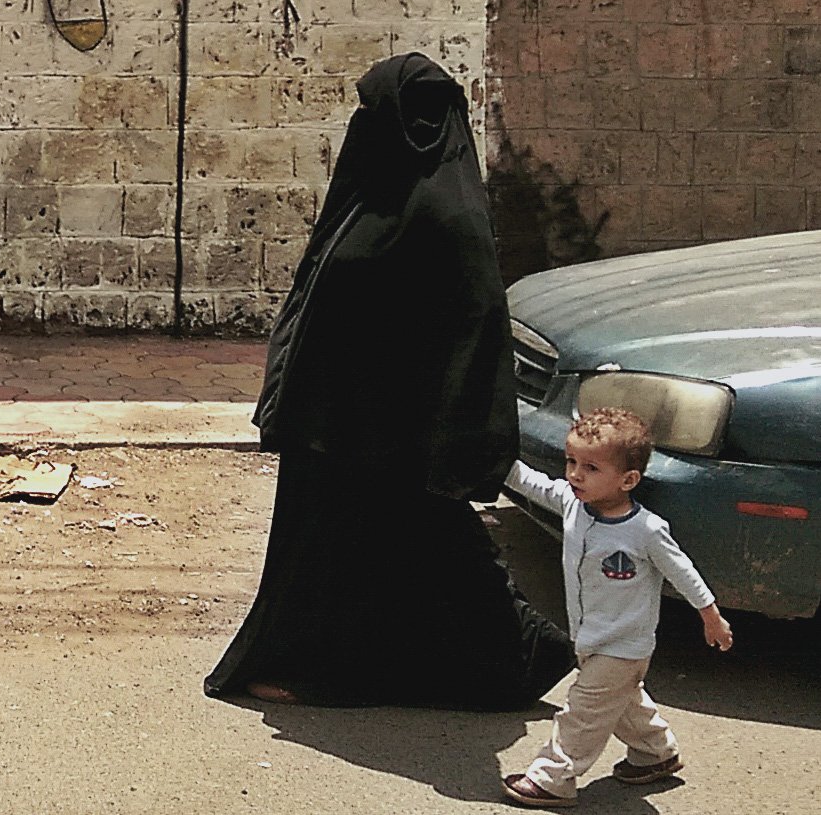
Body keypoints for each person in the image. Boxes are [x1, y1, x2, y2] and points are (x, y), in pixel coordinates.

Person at [204, 52, 575, 710]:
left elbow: (473, 326)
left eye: (373, 112)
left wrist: (456, 437)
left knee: (417, 547)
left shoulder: (447, 216)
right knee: (352, 551)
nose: (361, 123)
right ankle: (498, 653)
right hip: (335, 419)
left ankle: (516, 654)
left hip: (395, 429)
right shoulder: (370, 194)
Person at [501, 408, 734, 808]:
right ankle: (655, 753)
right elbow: (531, 483)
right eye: (571, 461)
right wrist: (493, 460)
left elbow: (683, 571)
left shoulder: (645, 530)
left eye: (591, 467)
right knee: (625, 703)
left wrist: (710, 614)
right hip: (589, 638)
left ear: (628, 480)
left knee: (583, 712)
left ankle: (552, 778)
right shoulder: (574, 505)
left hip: (623, 646)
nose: (575, 474)